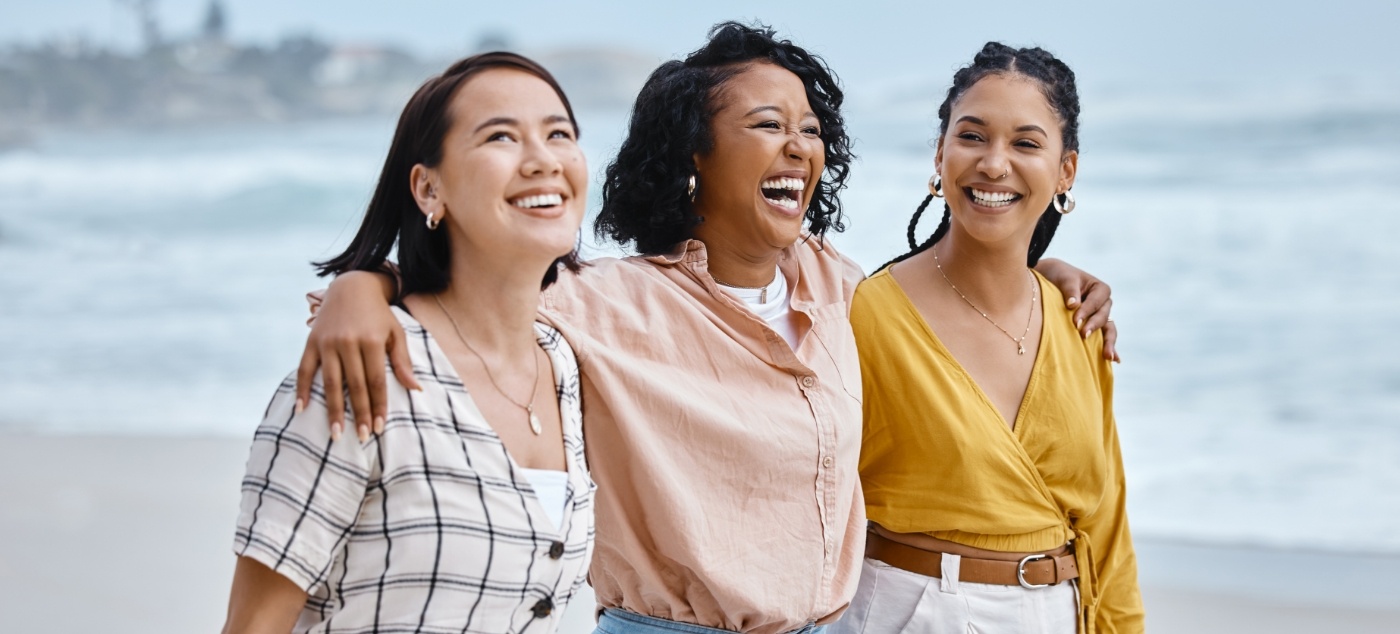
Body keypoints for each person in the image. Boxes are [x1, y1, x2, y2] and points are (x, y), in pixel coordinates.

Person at [299, 24, 1117, 634]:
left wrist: (1043, 273)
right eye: (767, 125)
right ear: (696, 155)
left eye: (808, 128)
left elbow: (941, 290)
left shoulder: (834, 287)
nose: (799, 146)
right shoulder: (603, 305)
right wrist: (362, 288)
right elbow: (463, 296)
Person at [221, 52, 594, 634]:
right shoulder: (360, 373)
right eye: (501, 136)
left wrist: (365, 281)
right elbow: (255, 623)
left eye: (559, 134)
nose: (543, 159)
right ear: (428, 188)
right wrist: (360, 284)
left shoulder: (565, 363)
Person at [831, 43, 1142, 634]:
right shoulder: (868, 316)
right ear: (940, 153)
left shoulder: (1078, 321)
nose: (995, 164)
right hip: (909, 612)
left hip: (1057, 611)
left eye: (1026, 143)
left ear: (1065, 171)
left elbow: (1107, 528)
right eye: (972, 137)